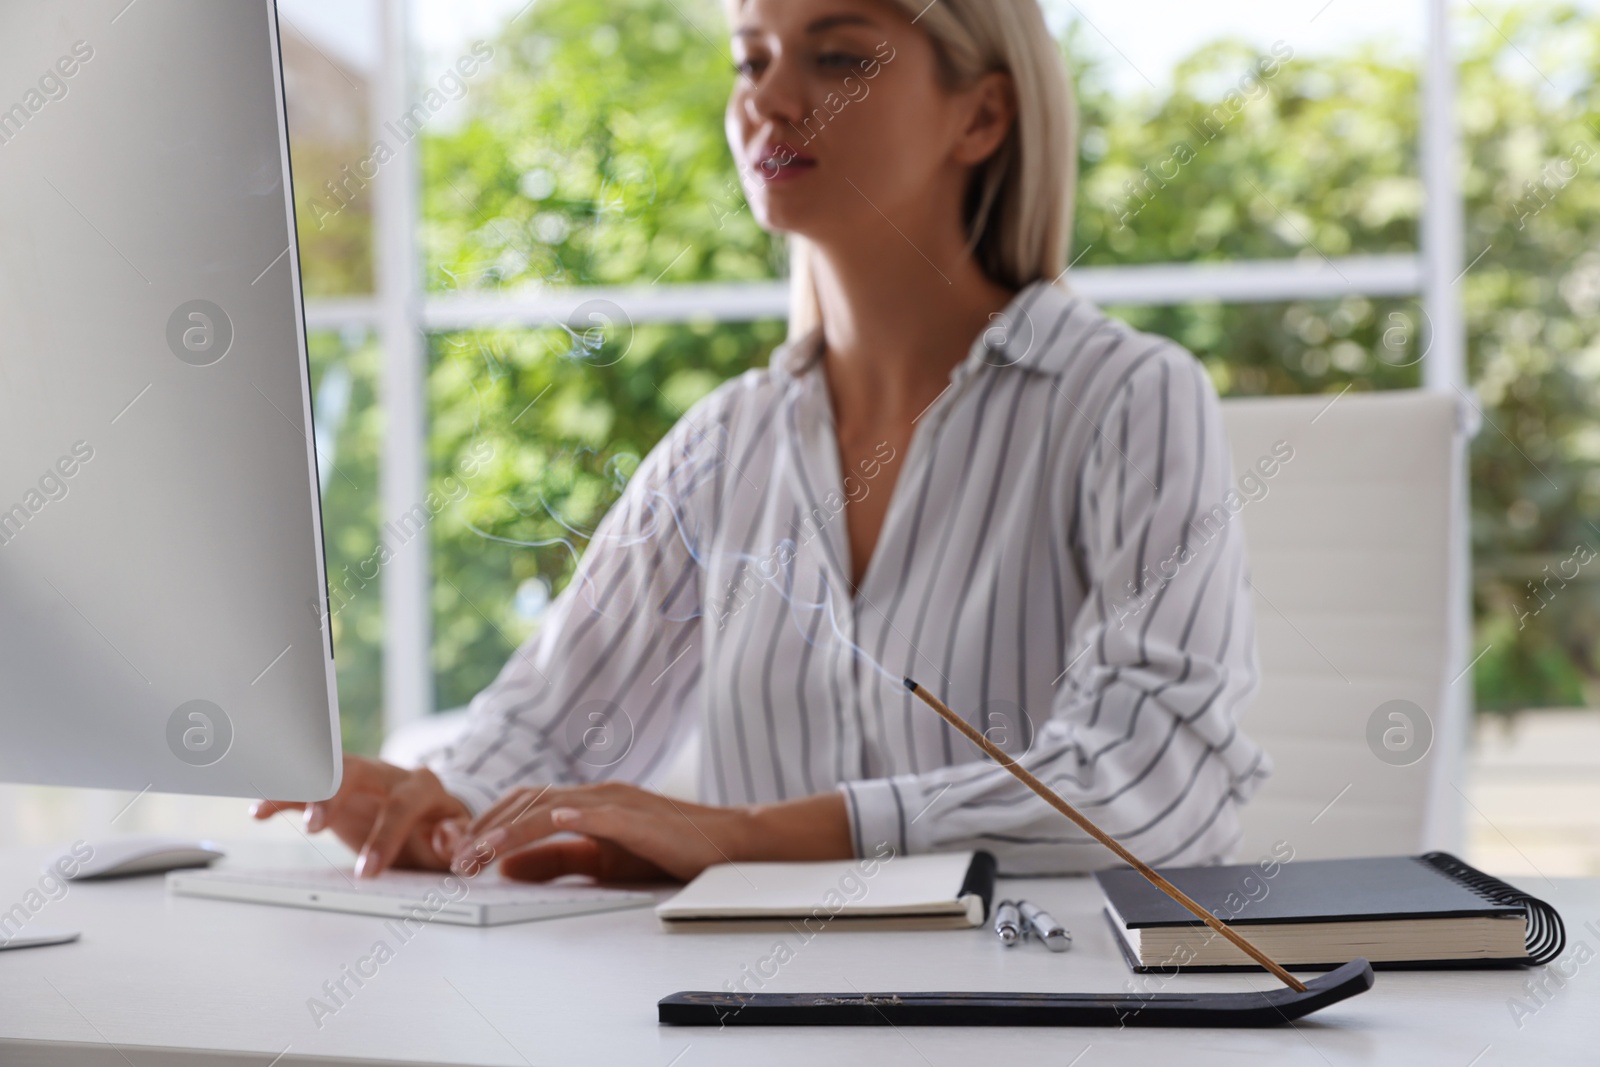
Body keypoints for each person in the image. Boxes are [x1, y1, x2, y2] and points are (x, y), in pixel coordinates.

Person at [254, 0, 1268, 883]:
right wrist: (435, 807)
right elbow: (547, 732)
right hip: (746, 1021)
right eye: (750, 58)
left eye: (836, 57)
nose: (769, 100)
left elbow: (1153, 778)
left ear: (983, 113)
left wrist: (743, 837)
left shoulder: (1129, 399)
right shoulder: (724, 444)